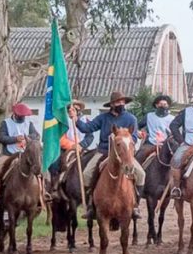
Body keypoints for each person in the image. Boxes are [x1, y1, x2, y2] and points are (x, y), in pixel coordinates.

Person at [71, 91, 145, 219]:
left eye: (122, 102)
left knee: (141, 174)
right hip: (104, 151)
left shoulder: (131, 119)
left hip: (124, 154)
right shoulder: (103, 118)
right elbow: (87, 128)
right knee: (87, 173)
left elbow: (133, 137)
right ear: (111, 104)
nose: (120, 104)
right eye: (117, 102)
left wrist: (122, 138)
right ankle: (91, 205)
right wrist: (76, 119)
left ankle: (135, 205)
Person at [0, 102, 42, 203]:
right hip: (9, 154)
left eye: (24, 116)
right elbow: (1, 138)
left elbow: (36, 135)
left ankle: (43, 193)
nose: (23, 117)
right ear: (15, 114)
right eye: (21, 115)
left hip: (25, 154)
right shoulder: (6, 123)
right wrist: (15, 139)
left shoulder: (29, 123)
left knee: (39, 169)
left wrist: (28, 138)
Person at [137, 95, 173, 162]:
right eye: (160, 104)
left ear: (168, 106)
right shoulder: (149, 116)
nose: (162, 106)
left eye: (165, 104)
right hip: (151, 143)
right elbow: (138, 126)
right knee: (139, 155)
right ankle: (133, 172)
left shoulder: (172, 119)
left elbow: (175, 133)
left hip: (166, 145)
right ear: (156, 105)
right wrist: (138, 132)